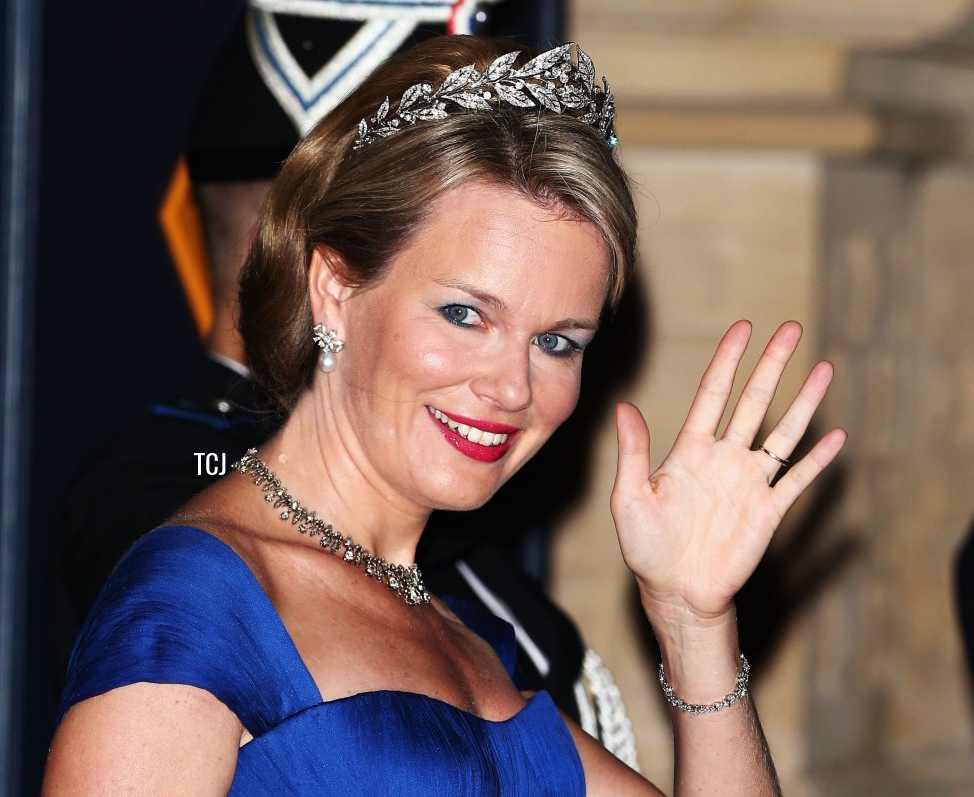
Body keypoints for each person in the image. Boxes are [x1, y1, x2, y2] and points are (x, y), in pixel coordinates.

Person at [43, 36, 845, 794]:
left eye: (558, 341)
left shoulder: (469, 641)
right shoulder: (199, 596)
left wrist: (693, 625)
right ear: (335, 290)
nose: (511, 386)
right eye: (465, 314)